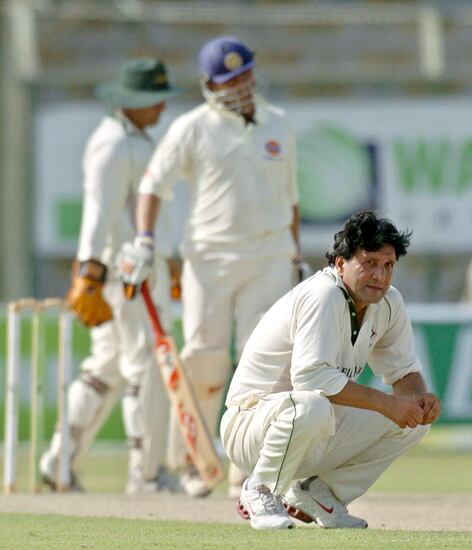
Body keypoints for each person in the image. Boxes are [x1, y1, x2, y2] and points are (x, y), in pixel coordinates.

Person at [117, 36, 302, 497]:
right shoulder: (192, 127)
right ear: (208, 84)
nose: (240, 85)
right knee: (204, 360)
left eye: (245, 75)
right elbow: (153, 186)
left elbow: (291, 199)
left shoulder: (279, 124)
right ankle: (194, 462)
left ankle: (250, 467)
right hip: (210, 259)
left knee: (266, 364)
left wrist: (295, 257)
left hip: (270, 257)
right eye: (229, 79)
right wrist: (144, 240)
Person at [220, 211, 440, 530]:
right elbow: (312, 379)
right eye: (369, 263)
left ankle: (320, 492)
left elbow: (404, 374)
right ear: (340, 263)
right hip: (250, 425)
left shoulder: (389, 303)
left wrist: (422, 402)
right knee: (313, 404)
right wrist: (388, 403)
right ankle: (260, 489)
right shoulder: (322, 294)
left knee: (413, 422)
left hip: (311, 425)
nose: (379, 274)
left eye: (388, 265)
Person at [39, 58, 183, 494]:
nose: (160, 107)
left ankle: (57, 463)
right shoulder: (113, 144)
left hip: (136, 270)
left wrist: (170, 258)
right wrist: (89, 271)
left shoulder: (132, 139)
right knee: (142, 368)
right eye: (152, 99)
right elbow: (99, 213)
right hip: (125, 275)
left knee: (107, 367)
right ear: (128, 102)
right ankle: (145, 474)